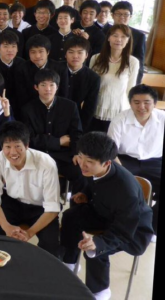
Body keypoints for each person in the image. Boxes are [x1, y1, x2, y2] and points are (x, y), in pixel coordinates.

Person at [61, 132, 153, 300]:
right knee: (70, 216)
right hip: (104, 213)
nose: (82, 164)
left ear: (107, 163)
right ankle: (69, 261)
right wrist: (85, 195)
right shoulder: (93, 169)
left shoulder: (126, 191)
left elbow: (124, 231)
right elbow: (94, 183)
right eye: (81, 157)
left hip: (132, 231)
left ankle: (99, 291)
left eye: (89, 162)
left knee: (96, 249)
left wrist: (98, 242)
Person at [0, 121, 61, 257]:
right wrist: (6, 226)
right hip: (13, 203)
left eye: (18, 146)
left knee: (51, 243)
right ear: (2, 147)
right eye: (7, 147)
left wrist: (29, 233)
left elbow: (52, 207)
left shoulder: (46, 163)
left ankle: (44, 275)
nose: (13, 152)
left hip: (40, 208)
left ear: (26, 145)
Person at [108, 84, 163, 238]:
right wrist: (121, 172)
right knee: (118, 185)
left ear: (155, 103)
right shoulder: (120, 119)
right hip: (125, 160)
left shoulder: (163, 119)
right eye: (136, 102)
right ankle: (120, 226)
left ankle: (152, 228)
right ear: (130, 103)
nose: (142, 107)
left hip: (155, 161)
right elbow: (111, 151)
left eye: (147, 102)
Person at [22, 69, 84, 193]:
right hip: (39, 155)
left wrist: (77, 153)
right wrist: (59, 141)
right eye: (43, 85)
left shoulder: (70, 106)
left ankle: (77, 204)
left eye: (52, 85)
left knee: (81, 171)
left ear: (57, 87)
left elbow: (76, 134)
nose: (48, 89)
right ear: (36, 87)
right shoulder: (28, 109)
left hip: (64, 156)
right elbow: (30, 139)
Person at [89, 24, 139, 132]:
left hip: (119, 109)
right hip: (97, 107)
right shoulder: (96, 58)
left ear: (128, 40)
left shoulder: (133, 62)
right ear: (108, 38)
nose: (118, 39)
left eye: (123, 37)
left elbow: (131, 89)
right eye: (115, 35)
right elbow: (89, 86)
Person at [13, 34, 69, 117]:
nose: (37, 56)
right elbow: (21, 96)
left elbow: (63, 94)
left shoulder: (60, 69)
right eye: (33, 52)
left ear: (48, 52)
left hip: (56, 112)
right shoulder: (21, 69)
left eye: (41, 51)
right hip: (31, 113)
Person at [103, 1, 146, 84]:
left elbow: (140, 64)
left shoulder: (139, 36)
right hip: (104, 72)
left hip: (125, 77)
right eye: (118, 14)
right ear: (112, 15)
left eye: (126, 14)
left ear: (131, 16)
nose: (122, 17)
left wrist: (135, 87)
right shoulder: (103, 32)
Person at [65, 36, 101, 132]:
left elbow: (89, 108)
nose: (75, 56)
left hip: (75, 119)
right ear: (65, 54)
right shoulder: (55, 70)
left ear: (86, 55)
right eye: (71, 52)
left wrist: (80, 130)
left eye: (80, 52)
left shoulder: (93, 78)